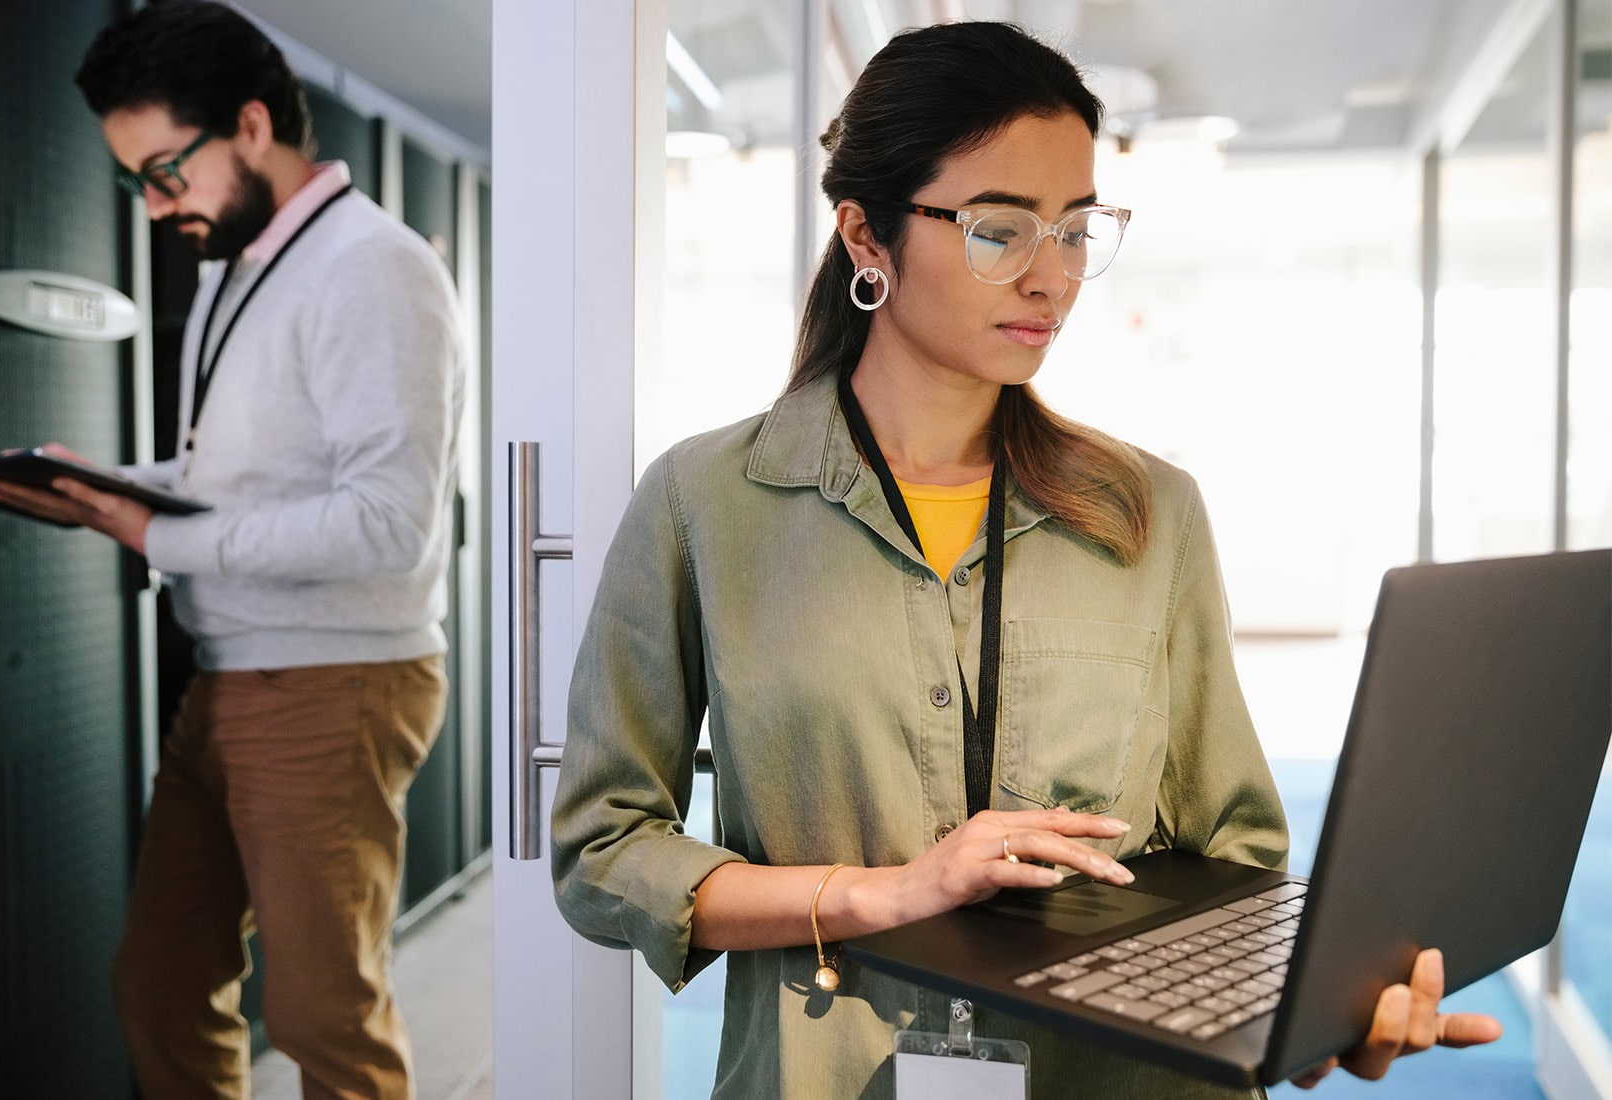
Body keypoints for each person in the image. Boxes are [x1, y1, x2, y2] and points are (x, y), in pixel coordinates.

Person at [551, 21, 1499, 1099]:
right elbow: (602, 847)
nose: (1052, 277)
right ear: (866, 236)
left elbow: (1231, 854)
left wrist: (1317, 1011)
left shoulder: (1148, 512)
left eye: (1076, 228)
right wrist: (873, 894)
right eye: (999, 231)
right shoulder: (704, 502)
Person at [0, 4, 465, 1098]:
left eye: (165, 170)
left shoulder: (371, 268)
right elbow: (241, 484)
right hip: (230, 671)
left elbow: (387, 522)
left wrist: (154, 530)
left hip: (333, 679)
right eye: (137, 181)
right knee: (159, 981)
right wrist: (109, 486)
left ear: (250, 124)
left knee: (321, 1017)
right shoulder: (233, 270)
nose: (157, 205)